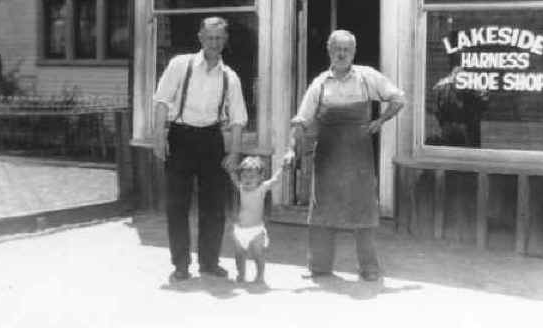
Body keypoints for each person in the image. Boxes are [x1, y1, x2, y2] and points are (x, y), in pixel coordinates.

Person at [284, 29, 405, 281]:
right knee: (322, 212)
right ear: (329, 51)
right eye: (337, 49)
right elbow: (301, 119)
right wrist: (290, 149)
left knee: (364, 210)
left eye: (346, 49)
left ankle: (369, 268)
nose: (341, 54)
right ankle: (320, 267)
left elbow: (398, 98)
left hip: (359, 157)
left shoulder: (366, 77)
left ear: (353, 52)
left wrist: (380, 121)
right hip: (328, 157)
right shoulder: (320, 83)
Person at [152, 16, 248, 282]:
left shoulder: (231, 77)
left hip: (211, 140)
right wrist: (159, 137)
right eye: (210, 38)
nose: (214, 43)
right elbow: (161, 101)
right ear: (200, 38)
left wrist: (234, 153)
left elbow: (238, 119)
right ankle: (181, 265)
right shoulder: (180, 65)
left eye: (219, 39)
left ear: (225, 41)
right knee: (177, 205)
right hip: (181, 138)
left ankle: (209, 262)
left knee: (214, 206)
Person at [228, 156, 284, 284]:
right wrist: (229, 166)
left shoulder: (261, 188)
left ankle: (260, 276)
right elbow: (232, 174)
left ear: (260, 178)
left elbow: (275, 180)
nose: (247, 180)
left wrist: (283, 167)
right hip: (240, 230)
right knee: (239, 256)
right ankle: (241, 275)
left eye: (252, 176)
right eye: (244, 176)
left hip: (256, 230)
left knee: (258, 255)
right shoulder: (240, 187)